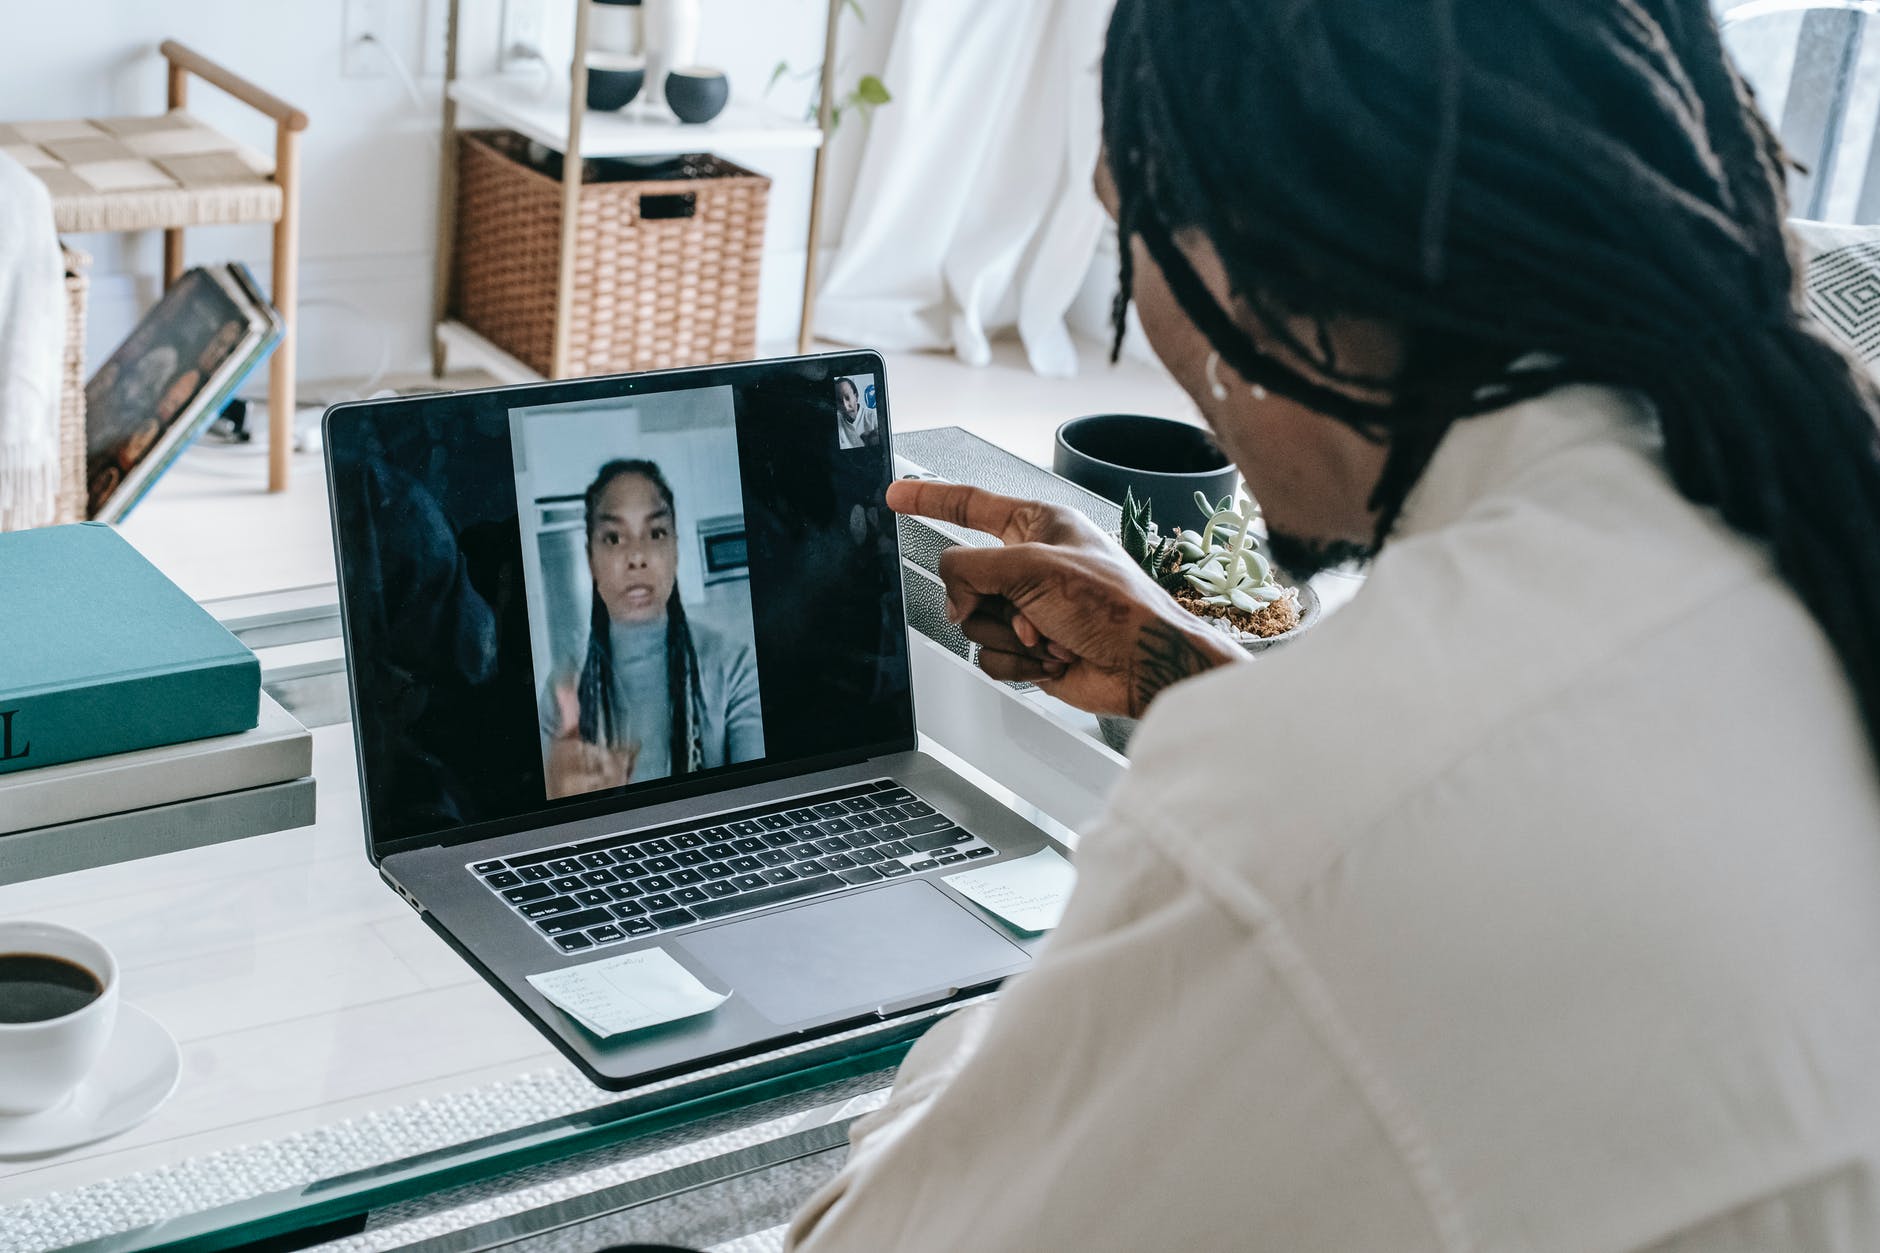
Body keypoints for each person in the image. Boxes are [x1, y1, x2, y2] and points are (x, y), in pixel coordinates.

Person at [784, 1, 1880, 1250]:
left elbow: (877, 1235)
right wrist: (1202, 676)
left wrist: (967, 1049)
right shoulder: (1798, 513)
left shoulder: (1301, 805)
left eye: (1127, 218)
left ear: (1268, 276)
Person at [542, 459, 763, 799]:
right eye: (614, 538)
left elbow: (757, 799)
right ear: (590, 558)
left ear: (675, 548)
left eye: (656, 533)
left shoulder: (733, 668)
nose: (637, 556)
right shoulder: (563, 689)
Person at [834, 376, 878, 450]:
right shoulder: (835, 422)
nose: (845, 405)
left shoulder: (873, 417)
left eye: (847, 398)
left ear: (856, 396)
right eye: (839, 400)